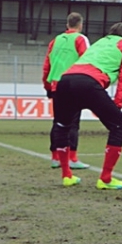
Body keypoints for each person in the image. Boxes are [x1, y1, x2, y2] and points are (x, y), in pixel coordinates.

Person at [50, 22, 122, 189]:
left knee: (62, 126)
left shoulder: (100, 42)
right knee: (119, 126)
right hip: (89, 82)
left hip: (65, 79)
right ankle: (105, 178)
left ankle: (67, 176)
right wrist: (117, 104)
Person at [43, 12, 90, 170]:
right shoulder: (80, 39)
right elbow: (87, 61)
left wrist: (47, 85)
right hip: (73, 84)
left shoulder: (55, 41)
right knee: (73, 123)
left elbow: (47, 65)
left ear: (67, 24)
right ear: (80, 25)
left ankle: (55, 157)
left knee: (58, 121)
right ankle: (72, 158)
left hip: (56, 84)